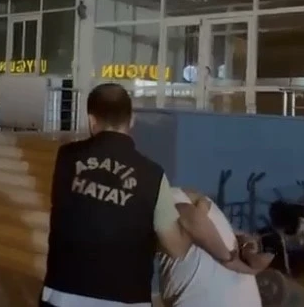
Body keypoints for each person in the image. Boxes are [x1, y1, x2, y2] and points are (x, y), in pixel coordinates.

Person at [41, 83, 237, 307]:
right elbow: (176, 248)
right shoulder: (152, 175)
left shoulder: (65, 157)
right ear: (132, 120)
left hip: (62, 295)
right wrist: (200, 209)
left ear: (91, 121)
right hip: (127, 300)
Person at [159, 188, 274, 307]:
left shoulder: (163, 202)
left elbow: (191, 217)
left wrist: (229, 258)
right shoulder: (194, 201)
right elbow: (195, 213)